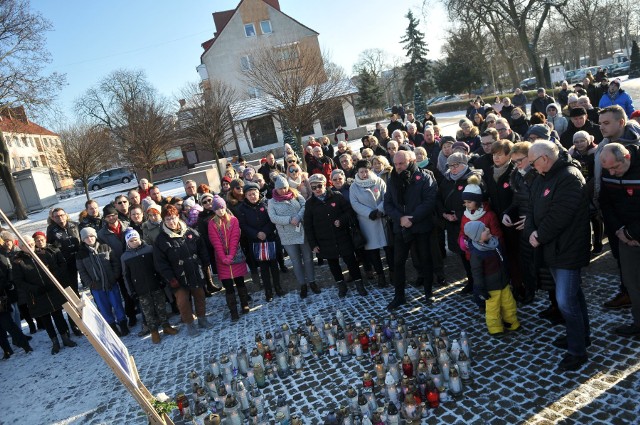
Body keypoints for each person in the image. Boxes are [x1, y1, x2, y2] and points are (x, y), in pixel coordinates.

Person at [525, 141, 591, 371]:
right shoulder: (543, 176)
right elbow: (532, 207)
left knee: (566, 301)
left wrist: (539, 235)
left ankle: (577, 350)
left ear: (544, 158)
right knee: (573, 295)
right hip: (552, 248)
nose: (532, 167)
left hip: (567, 249)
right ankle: (582, 336)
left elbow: (561, 214)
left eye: (533, 162)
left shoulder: (569, 177)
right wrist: (531, 230)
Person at [594, 105, 640, 310]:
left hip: (636, 222)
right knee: (621, 259)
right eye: (600, 123)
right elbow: (603, 188)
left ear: (621, 122)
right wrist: (620, 229)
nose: (601, 128)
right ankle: (627, 292)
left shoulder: (635, 148)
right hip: (616, 218)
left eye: (606, 123)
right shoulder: (602, 147)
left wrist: (632, 230)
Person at [384, 150, 437, 310]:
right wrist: (400, 218)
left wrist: (411, 219)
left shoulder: (424, 177)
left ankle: (429, 293)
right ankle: (399, 296)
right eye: (396, 164)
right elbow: (388, 204)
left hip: (420, 226)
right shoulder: (392, 179)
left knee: (425, 259)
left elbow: (429, 202)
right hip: (400, 226)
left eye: (402, 163)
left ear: (411, 161)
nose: (398, 167)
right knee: (398, 262)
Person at [599, 143, 640, 336]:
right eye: (608, 169)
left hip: (633, 233)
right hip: (624, 237)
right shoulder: (608, 170)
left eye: (615, 168)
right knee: (633, 283)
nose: (612, 173)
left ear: (627, 157)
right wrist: (620, 231)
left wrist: (633, 232)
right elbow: (605, 203)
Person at [304, 173, 367, 297]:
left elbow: (349, 212)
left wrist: (341, 220)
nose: (317, 189)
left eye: (319, 186)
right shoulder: (309, 204)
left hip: (342, 235)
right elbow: (308, 226)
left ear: (325, 184)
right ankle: (341, 285)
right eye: (313, 187)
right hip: (324, 239)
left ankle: (359, 284)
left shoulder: (337, 196)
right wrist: (313, 244)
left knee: (351, 261)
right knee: (333, 264)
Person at [13, 235, 78, 354]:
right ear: (21, 247)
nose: (30, 246)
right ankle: (54, 341)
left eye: (31, 243)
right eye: (26, 245)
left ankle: (65, 337)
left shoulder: (43, 253)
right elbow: (19, 282)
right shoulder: (18, 262)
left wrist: (52, 281)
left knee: (58, 315)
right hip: (37, 295)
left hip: (51, 290)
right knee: (46, 319)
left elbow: (55, 268)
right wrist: (35, 289)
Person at [154, 205, 212, 335]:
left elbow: (201, 248)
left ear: (178, 216)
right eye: (168, 219)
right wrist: (170, 278)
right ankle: (190, 325)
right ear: (164, 220)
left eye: (173, 218)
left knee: (200, 295)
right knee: (183, 301)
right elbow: (160, 263)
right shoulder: (161, 240)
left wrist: (204, 263)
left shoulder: (190, 232)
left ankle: (202, 319)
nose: (171, 221)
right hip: (177, 276)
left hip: (194, 270)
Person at [120, 229, 177, 344]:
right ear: (127, 243)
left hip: (155, 284)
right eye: (131, 241)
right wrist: (131, 291)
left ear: (139, 239)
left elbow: (158, 265)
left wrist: (162, 280)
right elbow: (126, 276)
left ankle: (166, 326)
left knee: (161, 307)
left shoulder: (149, 249)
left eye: (136, 239)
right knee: (148, 312)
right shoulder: (125, 257)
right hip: (140, 289)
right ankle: (154, 331)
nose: (134, 242)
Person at [463, 221, 520, 336]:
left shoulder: (495, 243)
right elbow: (477, 273)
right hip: (491, 287)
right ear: (477, 237)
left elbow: (503, 260)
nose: (487, 229)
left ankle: (511, 322)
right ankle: (495, 328)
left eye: (486, 227)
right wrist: (480, 288)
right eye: (483, 230)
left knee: (509, 304)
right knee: (493, 309)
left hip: (503, 283)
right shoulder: (477, 254)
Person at [268, 176, 319, 299]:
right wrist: (289, 220)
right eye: (280, 188)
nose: (283, 190)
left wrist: (298, 217)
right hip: (287, 235)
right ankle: (303, 285)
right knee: (295, 261)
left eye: (285, 187)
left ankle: (312, 282)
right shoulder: (272, 202)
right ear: (276, 188)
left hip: (302, 231)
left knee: (308, 258)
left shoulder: (296, 194)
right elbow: (273, 218)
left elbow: (305, 206)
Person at [502, 142, 540, 308]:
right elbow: (517, 201)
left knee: (541, 264)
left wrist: (532, 220)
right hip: (523, 226)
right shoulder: (516, 175)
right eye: (514, 161)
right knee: (526, 262)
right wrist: (507, 213)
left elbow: (544, 203)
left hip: (538, 225)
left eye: (520, 160)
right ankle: (530, 291)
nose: (517, 165)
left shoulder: (539, 174)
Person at [76, 227, 129, 337]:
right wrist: (90, 283)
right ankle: (112, 326)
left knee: (117, 304)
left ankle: (123, 323)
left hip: (111, 283)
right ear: (82, 240)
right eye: (86, 237)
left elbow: (114, 262)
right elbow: (82, 271)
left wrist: (114, 276)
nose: (89, 239)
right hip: (97, 286)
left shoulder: (105, 247)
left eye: (91, 236)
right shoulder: (81, 254)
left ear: (95, 236)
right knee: (104, 307)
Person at [208, 195, 250, 321]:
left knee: (240, 282)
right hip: (222, 260)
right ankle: (233, 310)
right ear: (214, 210)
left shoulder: (233, 220)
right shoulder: (212, 223)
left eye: (221, 208)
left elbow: (235, 238)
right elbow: (215, 242)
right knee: (228, 287)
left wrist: (231, 255)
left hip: (235, 256)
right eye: (217, 209)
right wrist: (223, 257)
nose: (220, 211)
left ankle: (244, 304)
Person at [237, 182, 282, 301]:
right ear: (245, 196)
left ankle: (277, 286)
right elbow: (243, 225)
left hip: (269, 238)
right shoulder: (241, 208)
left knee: (274, 264)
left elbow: (272, 219)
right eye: (249, 194)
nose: (253, 196)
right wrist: (256, 233)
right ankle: (268, 291)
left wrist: (265, 231)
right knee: (263, 268)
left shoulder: (266, 203)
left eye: (254, 193)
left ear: (258, 193)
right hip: (255, 241)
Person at [349, 160, 391, 288]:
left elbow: (386, 196)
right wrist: (369, 213)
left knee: (388, 248)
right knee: (373, 252)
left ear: (370, 170)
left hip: (381, 218)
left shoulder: (378, 181)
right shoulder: (354, 187)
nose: (364, 174)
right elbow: (355, 203)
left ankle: (393, 272)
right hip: (367, 222)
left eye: (366, 171)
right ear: (358, 172)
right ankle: (380, 275)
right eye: (361, 172)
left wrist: (380, 210)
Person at [98, 204, 137, 327]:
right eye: (108, 216)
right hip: (118, 266)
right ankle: (131, 315)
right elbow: (105, 253)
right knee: (126, 292)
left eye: (113, 215)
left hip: (132, 261)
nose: (111, 218)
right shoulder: (102, 234)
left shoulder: (127, 226)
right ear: (105, 218)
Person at [46, 208, 81, 297]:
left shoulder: (75, 225)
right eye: (57, 216)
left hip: (81, 257)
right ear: (53, 218)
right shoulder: (51, 230)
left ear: (66, 215)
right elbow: (50, 246)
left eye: (62, 215)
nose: (60, 218)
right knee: (72, 286)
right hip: (67, 261)